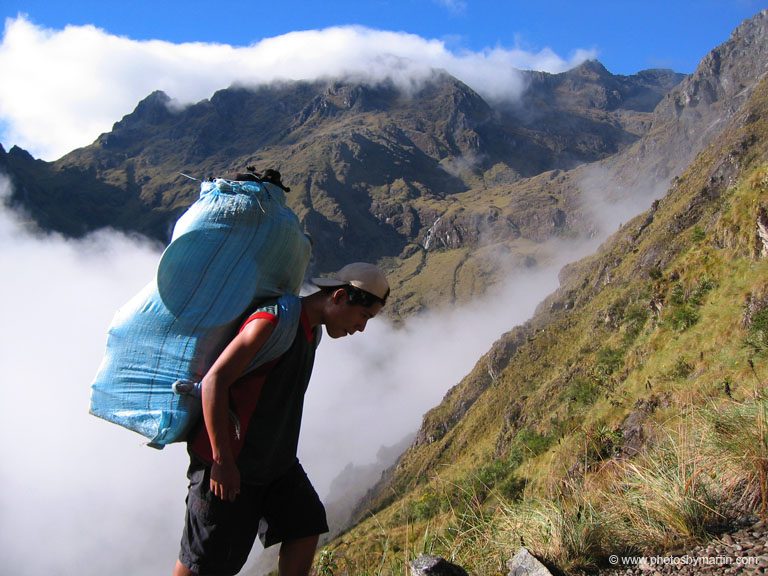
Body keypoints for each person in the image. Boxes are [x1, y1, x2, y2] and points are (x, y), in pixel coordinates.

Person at [172, 262, 390, 576]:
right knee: (205, 561)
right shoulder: (273, 322)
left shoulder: (311, 332)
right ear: (340, 296)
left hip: (274, 465)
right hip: (230, 466)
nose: (361, 328)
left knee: (305, 523)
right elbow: (214, 381)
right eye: (364, 316)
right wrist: (222, 461)